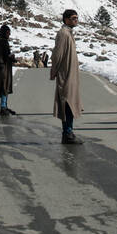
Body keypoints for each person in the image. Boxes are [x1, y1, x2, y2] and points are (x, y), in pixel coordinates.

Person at [50, 9, 83, 144]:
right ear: (66, 19)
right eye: (74, 18)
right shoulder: (63, 34)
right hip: (66, 75)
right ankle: (67, 133)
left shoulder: (68, 33)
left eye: (77, 18)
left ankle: (69, 132)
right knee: (67, 102)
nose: (76, 20)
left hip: (70, 74)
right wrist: (54, 71)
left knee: (70, 102)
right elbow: (57, 54)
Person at [0, 24, 18, 116]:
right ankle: (3, 107)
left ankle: (5, 106)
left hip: (4, 67)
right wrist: (10, 58)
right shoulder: (1, 42)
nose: (9, 34)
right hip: (2, 68)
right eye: (7, 32)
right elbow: (1, 56)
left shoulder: (1, 41)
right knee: (4, 87)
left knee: (5, 87)